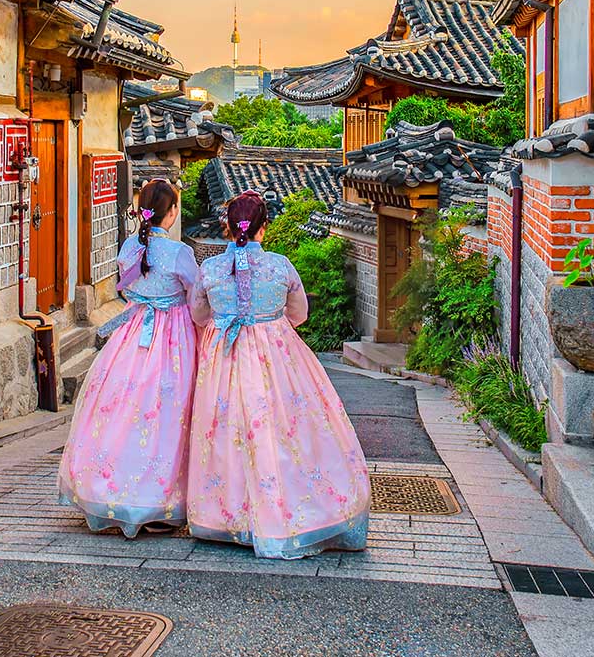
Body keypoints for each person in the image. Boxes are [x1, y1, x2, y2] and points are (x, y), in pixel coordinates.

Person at [186, 190, 371, 559]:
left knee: (227, 429)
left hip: (225, 355)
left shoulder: (210, 269)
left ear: (227, 225)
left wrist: (224, 322)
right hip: (276, 353)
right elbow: (299, 312)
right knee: (284, 428)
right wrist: (269, 324)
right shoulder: (280, 266)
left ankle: (226, 516)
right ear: (263, 227)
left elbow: (197, 313)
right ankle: (290, 510)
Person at [58, 179, 199, 537]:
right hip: (171, 337)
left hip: (132, 333)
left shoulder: (128, 249)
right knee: (167, 411)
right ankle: (160, 499)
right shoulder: (180, 253)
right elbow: (195, 298)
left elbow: (129, 289)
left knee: (124, 409)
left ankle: (111, 488)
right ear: (170, 213)